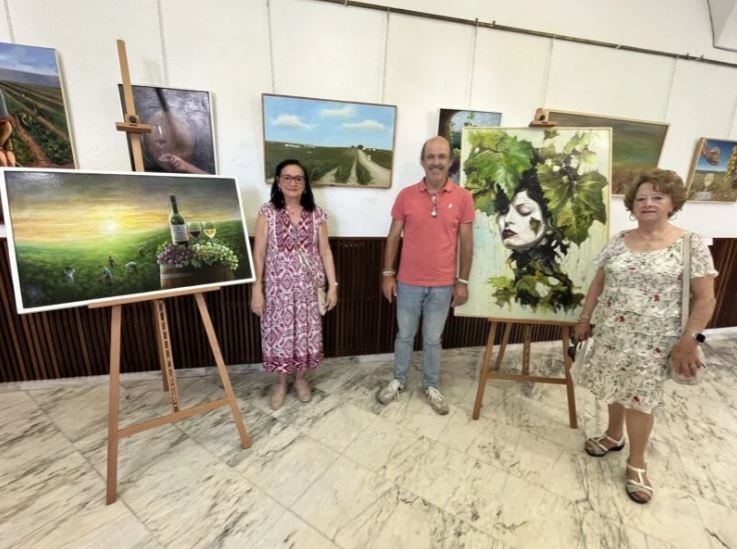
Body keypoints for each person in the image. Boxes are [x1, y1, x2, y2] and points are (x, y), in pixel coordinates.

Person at [574, 168, 717, 504]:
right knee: (612, 386)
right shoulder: (619, 240)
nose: (648, 203)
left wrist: (689, 339)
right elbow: (599, 282)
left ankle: (637, 463)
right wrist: (585, 317)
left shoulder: (690, 243)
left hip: (654, 341)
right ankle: (613, 435)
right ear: (632, 205)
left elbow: (706, 297)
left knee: (641, 399)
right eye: (641, 198)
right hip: (612, 333)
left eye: (657, 197)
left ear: (672, 202)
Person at [377, 136, 474, 415]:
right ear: (422, 161)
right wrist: (387, 274)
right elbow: (393, 236)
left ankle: (431, 386)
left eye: (441, 157)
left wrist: (463, 281)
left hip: (443, 285)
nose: (436, 162)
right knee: (405, 335)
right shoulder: (406, 195)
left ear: (450, 161)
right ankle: (398, 380)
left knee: (433, 339)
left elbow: (466, 243)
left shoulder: (464, 198)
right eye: (431, 157)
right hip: (407, 282)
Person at [251, 159, 338, 410]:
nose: (293, 182)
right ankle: (280, 381)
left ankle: (300, 379)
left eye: (298, 178)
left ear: (305, 184)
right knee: (279, 337)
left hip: (308, 291)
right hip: (278, 291)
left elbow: (325, 252)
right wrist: (257, 289)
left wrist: (333, 285)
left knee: (305, 337)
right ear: (278, 181)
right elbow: (258, 254)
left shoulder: (317, 214)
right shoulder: (267, 212)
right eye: (287, 177)